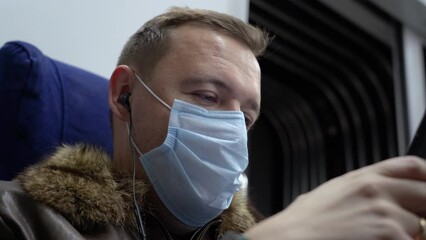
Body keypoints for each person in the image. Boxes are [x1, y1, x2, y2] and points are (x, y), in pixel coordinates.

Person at [1, 6, 426, 240]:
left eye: (246, 117)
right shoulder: (19, 219)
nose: (232, 131)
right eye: (207, 96)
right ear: (123, 95)